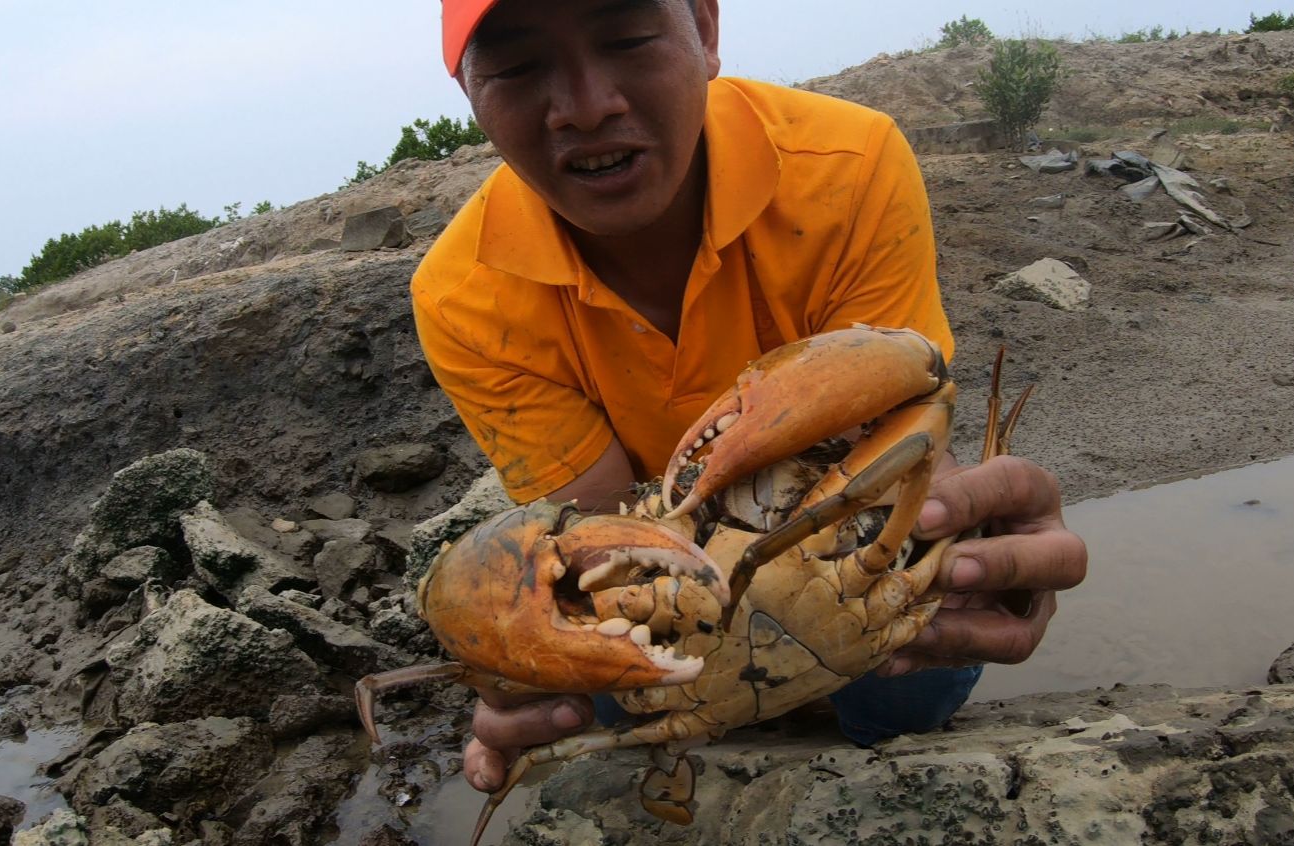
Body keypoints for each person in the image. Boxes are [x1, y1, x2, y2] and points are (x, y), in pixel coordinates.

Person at [411, 0, 1087, 795]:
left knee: (912, 682)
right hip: (671, 613)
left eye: (626, 39)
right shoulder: (463, 295)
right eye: (519, 66)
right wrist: (512, 659)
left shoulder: (848, 164)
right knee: (618, 699)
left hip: (850, 572)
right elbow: (600, 544)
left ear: (705, 30)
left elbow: (905, 425)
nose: (587, 107)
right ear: (468, 92)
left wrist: (970, 537)